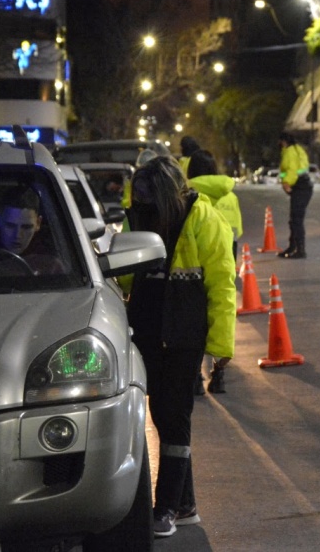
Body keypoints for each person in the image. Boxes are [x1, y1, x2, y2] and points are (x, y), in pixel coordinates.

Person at [125, 155, 236, 538]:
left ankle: (168, 506)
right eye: (137, 199)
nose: (140, 206)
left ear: (165, 196)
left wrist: (221, 347)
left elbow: (222, 285)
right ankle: (185, 504)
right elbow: (127, 277)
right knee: (162, 413)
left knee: (174, 416)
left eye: (146, 199)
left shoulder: (204, 221)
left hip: (183, 337)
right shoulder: (138, 217)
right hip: (147, 332)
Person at [186, 149, 243, 395]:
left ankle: (197, 377)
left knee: (196, 319)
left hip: (194, 262)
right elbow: (237, 229)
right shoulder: (230, 196)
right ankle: (218, 373)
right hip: (226, 253)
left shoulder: (187, 197)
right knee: (222, 311)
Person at [277, 132, 313, 259]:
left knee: (296, 220)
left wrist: (286, 182)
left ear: (284, 141)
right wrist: (284, 179)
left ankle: (300, 250)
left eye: (280, 141)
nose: (279, 144)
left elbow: (292, 170)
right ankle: (293, 247)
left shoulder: (290, 152)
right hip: (303, 186)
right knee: (294, 219)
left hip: (301, 186)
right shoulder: (298, 149)